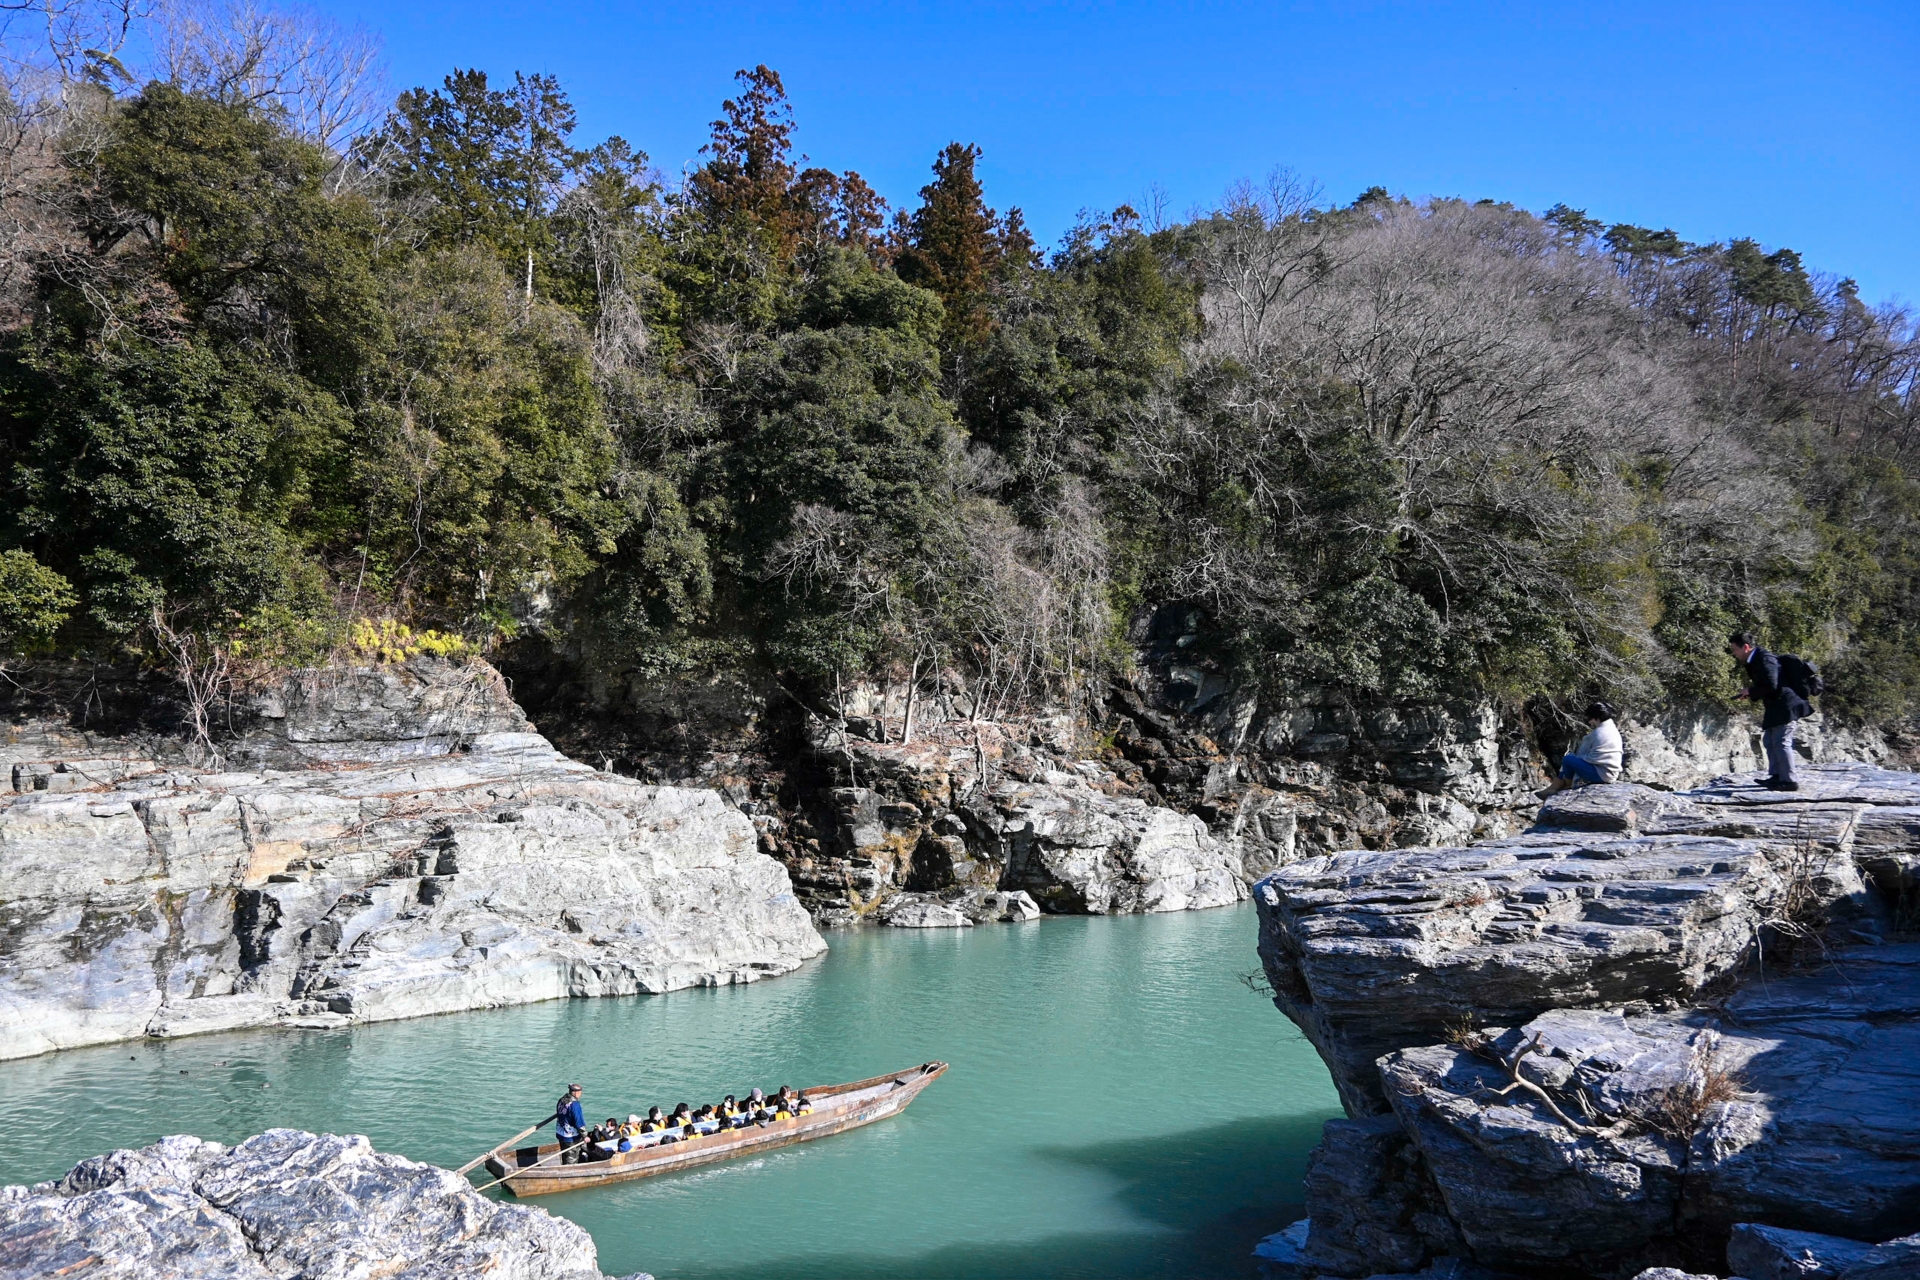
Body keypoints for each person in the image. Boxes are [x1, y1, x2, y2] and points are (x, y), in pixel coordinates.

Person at [1729, 632, 1813, 790]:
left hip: (1786, 705)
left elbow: (1772, 684)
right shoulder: (1756, 659)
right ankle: (1777, 777)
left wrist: (1750, 691)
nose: (1734, 653)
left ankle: (1789, 781)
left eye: (1735, 649)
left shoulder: (1765, 659)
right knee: (1770, 740)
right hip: (1776, 705)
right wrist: (1750, 693)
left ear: (1745, 647)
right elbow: (1767, 685)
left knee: (1781, 742)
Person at [1536, 702, 1624, 800]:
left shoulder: (1596, 734)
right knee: (1571, 760)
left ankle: (1565, 786)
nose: (1590, 722)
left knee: (1568, 759)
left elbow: (1580, 755)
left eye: (1590, 718)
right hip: (1611, 774)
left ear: (1596, 717)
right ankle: (1555, 787)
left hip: (1601, 774)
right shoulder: (1613, 730)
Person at [553, 1083, 586, 1165]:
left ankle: (564, 1166)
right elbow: (579, 1122)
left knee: (565, 1155)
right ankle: (569, 1170)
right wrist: (585, 1136)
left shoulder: (561, 1100)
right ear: (576, 1093)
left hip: (560, 1133)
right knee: (571, 1159)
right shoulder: (574, 1105)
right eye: (580, 1093)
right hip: (571, 1137)